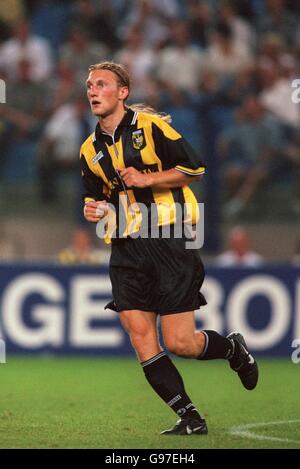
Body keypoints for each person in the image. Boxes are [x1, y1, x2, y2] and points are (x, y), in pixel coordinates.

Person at [80, 61, 258, 436]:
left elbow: (195, 168)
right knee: (139, 333)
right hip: (125, 243)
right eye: (89, 85)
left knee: (181, 342)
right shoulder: (89, 150)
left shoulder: (151, 128)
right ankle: (191, 418)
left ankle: (232, 350)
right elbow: (96, 199)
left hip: (170, 235)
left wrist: (148, 178)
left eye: (101, 84)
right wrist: (92, 208)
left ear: (122, 91)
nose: (92, 90)